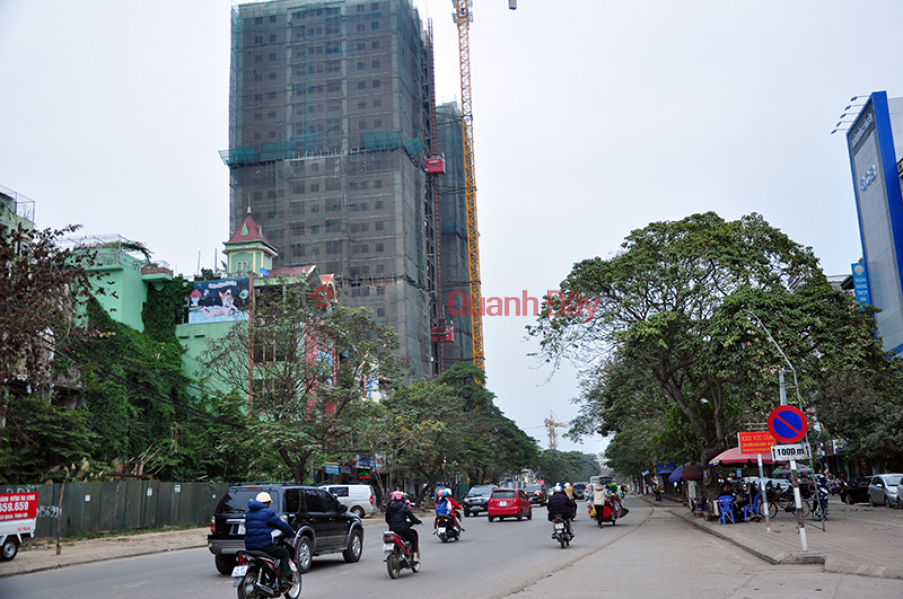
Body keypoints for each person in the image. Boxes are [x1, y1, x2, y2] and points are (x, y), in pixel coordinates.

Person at [244, 492, 298, 592]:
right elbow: (281, 525)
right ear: (266, 503)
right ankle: (283, 581)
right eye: (268, 503)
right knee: (284, 552)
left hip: (249, 547)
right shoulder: (268, 513)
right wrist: (291, 532)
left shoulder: (249, 513)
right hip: (263, 546)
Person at [386, 490, 423, 563]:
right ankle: (415, 557)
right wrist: (418, 521)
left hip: (392, 530)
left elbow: (387, 520)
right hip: (403, 529)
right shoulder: (404, 507)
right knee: (413, 539)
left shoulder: (389, 508)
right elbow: (412, 517)